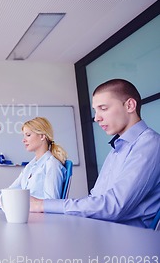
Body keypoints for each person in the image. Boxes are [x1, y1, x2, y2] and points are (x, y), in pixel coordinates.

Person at [31, 79, 160, 228]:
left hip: (127, 239)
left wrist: (42, 205)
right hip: (104, 228)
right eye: (95, 110)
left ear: (130, 105)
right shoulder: (118, 146)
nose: (97, 117)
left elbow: (114, 206)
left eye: (103, 108)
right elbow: (97, 197)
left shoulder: (149, 144)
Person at [0, 117, 67, 201]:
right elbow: (10, 190)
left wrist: (10, 200)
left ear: (42, 136)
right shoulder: (30, 166)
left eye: (28, 135)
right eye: (24, 136)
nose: (23, 140)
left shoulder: (52, 164)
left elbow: (51, 202)